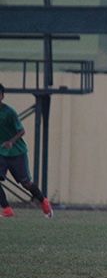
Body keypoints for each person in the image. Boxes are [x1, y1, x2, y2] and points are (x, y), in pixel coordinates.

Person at [0, 83, 53, 218]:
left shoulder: (9, 112)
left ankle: (43, 201)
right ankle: (7, 209)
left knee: (26, 184)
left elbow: (22, 131)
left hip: (17, 153)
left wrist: (11, 142)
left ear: (2, 96)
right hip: (1, 154)